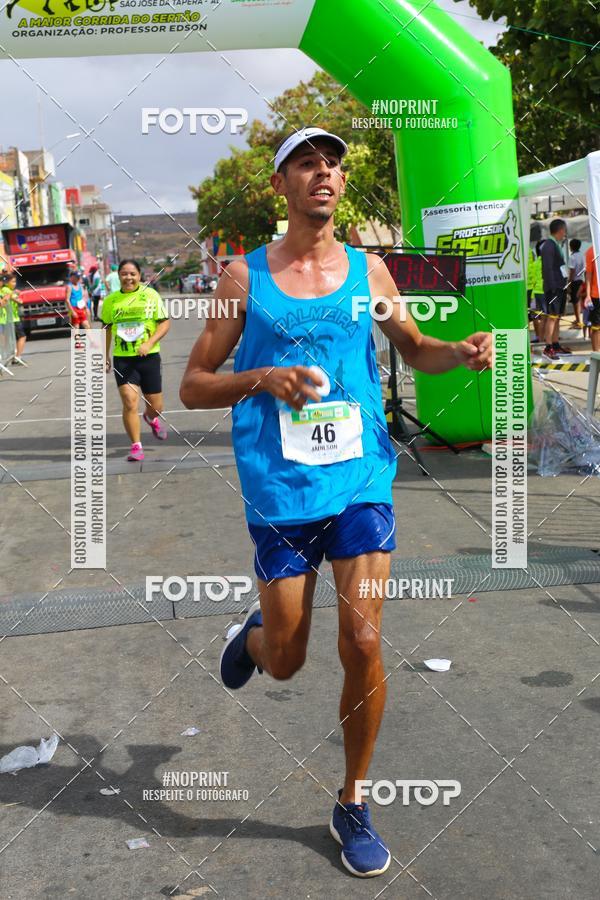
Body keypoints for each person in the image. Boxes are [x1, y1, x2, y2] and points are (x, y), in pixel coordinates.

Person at [179, 126, 493, 879]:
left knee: (363, 641)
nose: (324, 173)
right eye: (306, 165)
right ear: (281, 185)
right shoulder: (244, 279)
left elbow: (414, 349)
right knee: (287, 660)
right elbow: (192, 384)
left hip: (360, 479)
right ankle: (255, 638)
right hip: (282, 488)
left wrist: (460, 353)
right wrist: (264, 378)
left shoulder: (371, 271)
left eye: (332, 165)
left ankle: (353, 801)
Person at [102, 259, 170, 461]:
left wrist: (149, 343)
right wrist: (103, 356)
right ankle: (136, 445)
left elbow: (164, 323)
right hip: (123, 359)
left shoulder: (150, 295)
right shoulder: (111, 301)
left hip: (148, 357)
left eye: (132, 274)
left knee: (156, 406)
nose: (128, 277)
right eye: (124, 273)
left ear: (139, 276)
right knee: (130, 402)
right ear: (119, 276)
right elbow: (105, 329)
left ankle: (151, 417)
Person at [540, 218, 571, 360]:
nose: (565, 233)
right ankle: (548, 347)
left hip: (559, 286)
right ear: (560, 230)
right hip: (553, 287)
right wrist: (552, 287)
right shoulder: (548, 245)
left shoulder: (555, 244)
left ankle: (555, 344)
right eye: (564, 230)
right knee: (552, 317)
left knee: (557, 316)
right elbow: (547, 268)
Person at [1, 272, 27, 365]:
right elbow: (20, 301)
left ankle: (13, 356)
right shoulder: (7, 290)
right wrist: (16, 295)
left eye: (15, 282)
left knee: (10, 338)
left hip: (10, 318)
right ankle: (17, 357)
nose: (14, 284)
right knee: (22, 337)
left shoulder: (6, 290)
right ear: (7, 282)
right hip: (13, 318)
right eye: (12, 282)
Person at [584, 244, 600, 352]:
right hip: (596, 295)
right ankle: (597, 354)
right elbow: (588, 275)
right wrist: (588, 295)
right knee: (596, 327)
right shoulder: (591, 251)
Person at [567, 238, 585, 327]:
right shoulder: (581, 255)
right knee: (578, 301)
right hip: (580, 280)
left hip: (574, 281)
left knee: (575, 302)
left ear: (571, 247)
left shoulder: (572, 257)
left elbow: (572, 271)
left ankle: (578, 321)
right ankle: (578, 319)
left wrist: (568, 284)